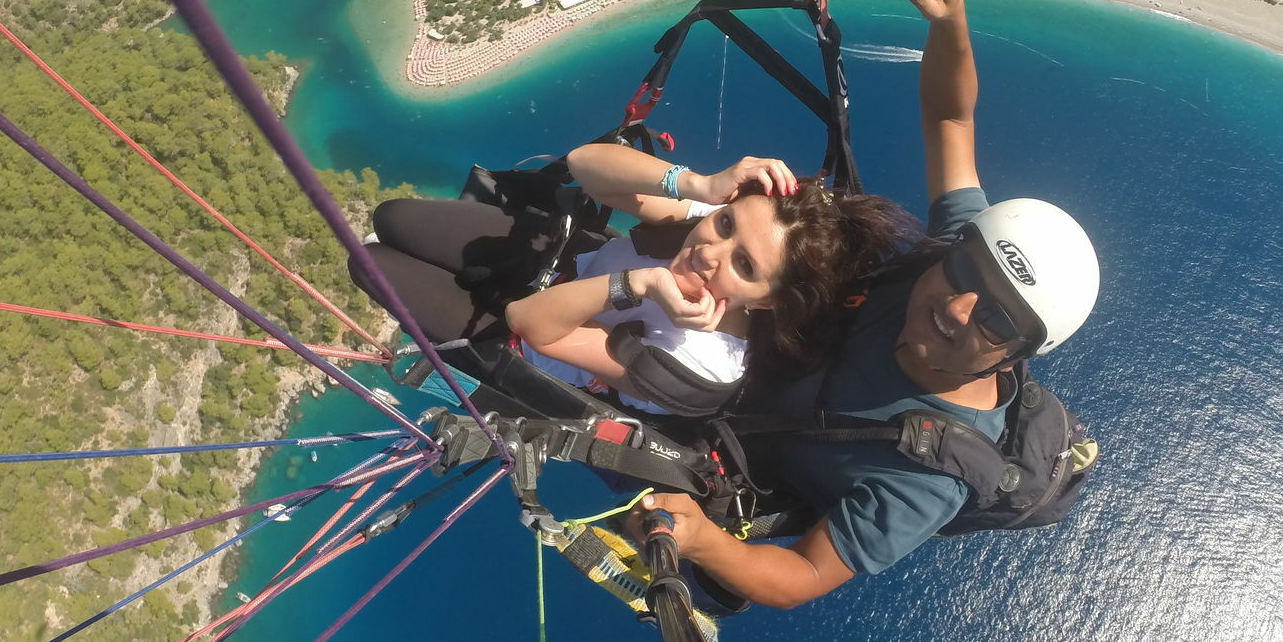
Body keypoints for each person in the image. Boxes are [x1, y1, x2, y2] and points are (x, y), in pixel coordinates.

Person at [638, 0, 1101, 607]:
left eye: (996, 317)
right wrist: (952, 20)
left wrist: (704, 541)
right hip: (759, 327)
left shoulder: (929, 476)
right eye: (967, 275)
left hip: (734, 425)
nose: (958, 306)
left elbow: (804, 575)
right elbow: (951, 119)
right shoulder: (949, 254)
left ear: (1015, 355)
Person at [359, 147, 913, 416]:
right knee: (393, 218)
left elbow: (529, 324)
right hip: (561, 262)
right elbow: (585, 166)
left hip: (521, 339)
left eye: (744, 267)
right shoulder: (705, 224)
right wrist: (698, 182)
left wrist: (639, 285)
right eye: (725, 224)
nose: (710, 252)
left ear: (770, 304)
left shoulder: (701, 365)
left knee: (371, 263)